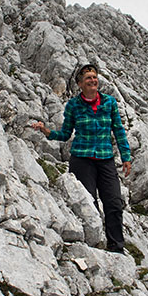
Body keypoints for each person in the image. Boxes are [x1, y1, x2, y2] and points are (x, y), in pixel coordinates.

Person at [32, 63, 132, 253]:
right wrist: (46, 131)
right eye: (88, 78)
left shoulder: (109, 102)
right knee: (88, 204)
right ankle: (92, 246)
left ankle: (116, 248)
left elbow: (118, 130)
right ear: (80, 84)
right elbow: (65, 134)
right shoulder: (73, 106)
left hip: (105, 158)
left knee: (113, 202)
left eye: (94, 77)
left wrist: (125, 156)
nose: (93, 81)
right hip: (81, 159)